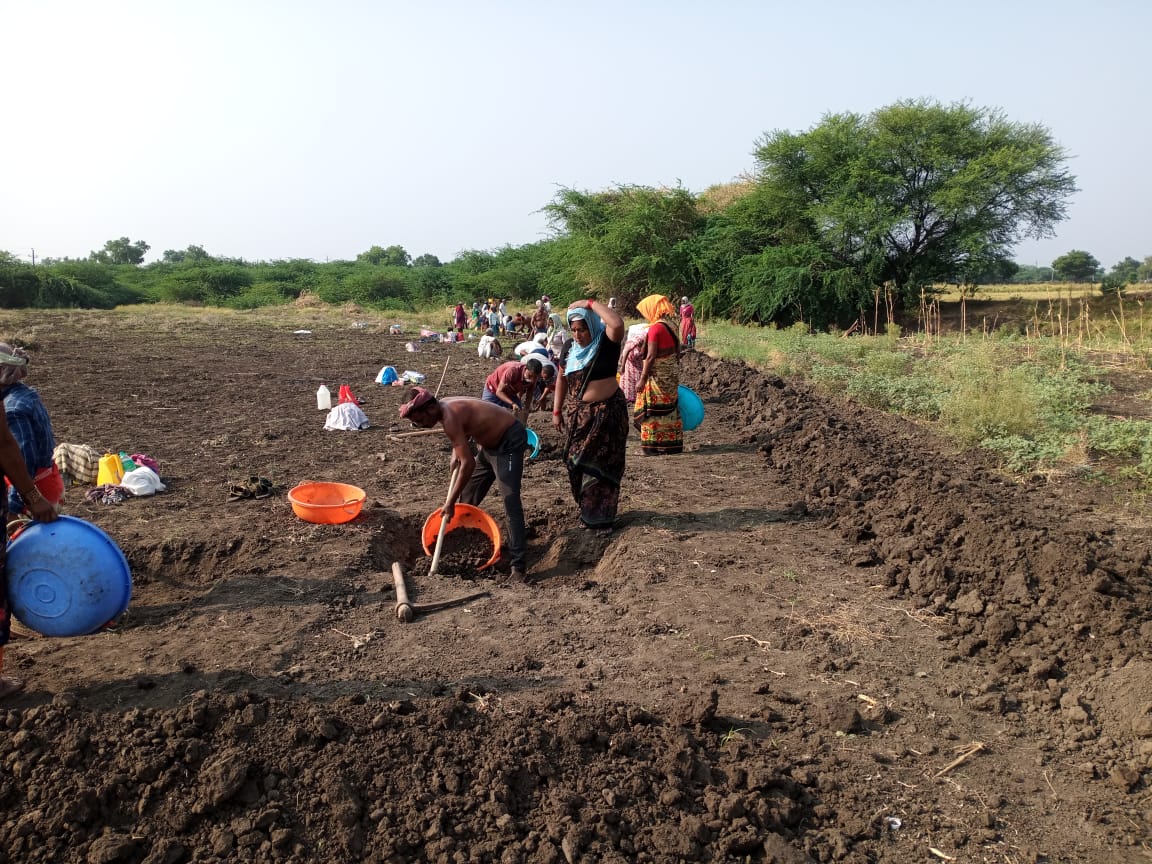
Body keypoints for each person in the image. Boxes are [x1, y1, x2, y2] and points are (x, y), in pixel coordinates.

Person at [399, 388, 528, 582]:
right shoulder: (443, 407)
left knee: (510, 501)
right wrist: (456, 451)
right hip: (488, 446)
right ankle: (463, 547)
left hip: (508, 441)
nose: (419, 425)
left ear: (430, 409)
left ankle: (518, 567)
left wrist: (449, 502)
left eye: (419, 420)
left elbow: (468, 464)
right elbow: (463, 430)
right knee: (468, 496)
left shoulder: (449, 416)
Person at [0, 347, 60, 699]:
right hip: (38, 481)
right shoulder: (23, 398)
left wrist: (22, 500)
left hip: (33, 483)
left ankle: (34, 610)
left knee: (23, 552)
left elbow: (14, 452)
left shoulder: (15, 408)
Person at [552, 298, 628, 530]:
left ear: (591, 326)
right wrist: (557, 410)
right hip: (580, 417)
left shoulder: (605, 342)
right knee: (576, 463)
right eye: (573, 330)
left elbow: (616, 324)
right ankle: (587, 508)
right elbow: (561, 380)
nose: (577, 335)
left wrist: (590, 303)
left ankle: (601, 518)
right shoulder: (569, 350)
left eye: (582, 329)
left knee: (603, 466)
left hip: (608, 415)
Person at [1, 344, 63, 517]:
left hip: (33, 490)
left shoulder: (12, 410)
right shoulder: (26, 395)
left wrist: (14, 506)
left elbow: (23, 460)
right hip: (48, 479)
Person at [633, 294, 683, 456]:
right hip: (671, 374)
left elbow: (651, 356)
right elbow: (678, 350)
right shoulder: (671, 325)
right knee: (669, 408)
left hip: (658, 376)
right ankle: (671, 444)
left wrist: (642, 379)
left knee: (653, 410)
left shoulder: (655, 328)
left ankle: (652, 447)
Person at [618, 321, 651, 404]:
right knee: (628, 383)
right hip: (630, 363)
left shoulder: (649, 339)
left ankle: (637, 399)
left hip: (638, 364)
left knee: (638, 381)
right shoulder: (639, 338)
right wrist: (622, 366)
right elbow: (626, 351)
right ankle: (628, 399)